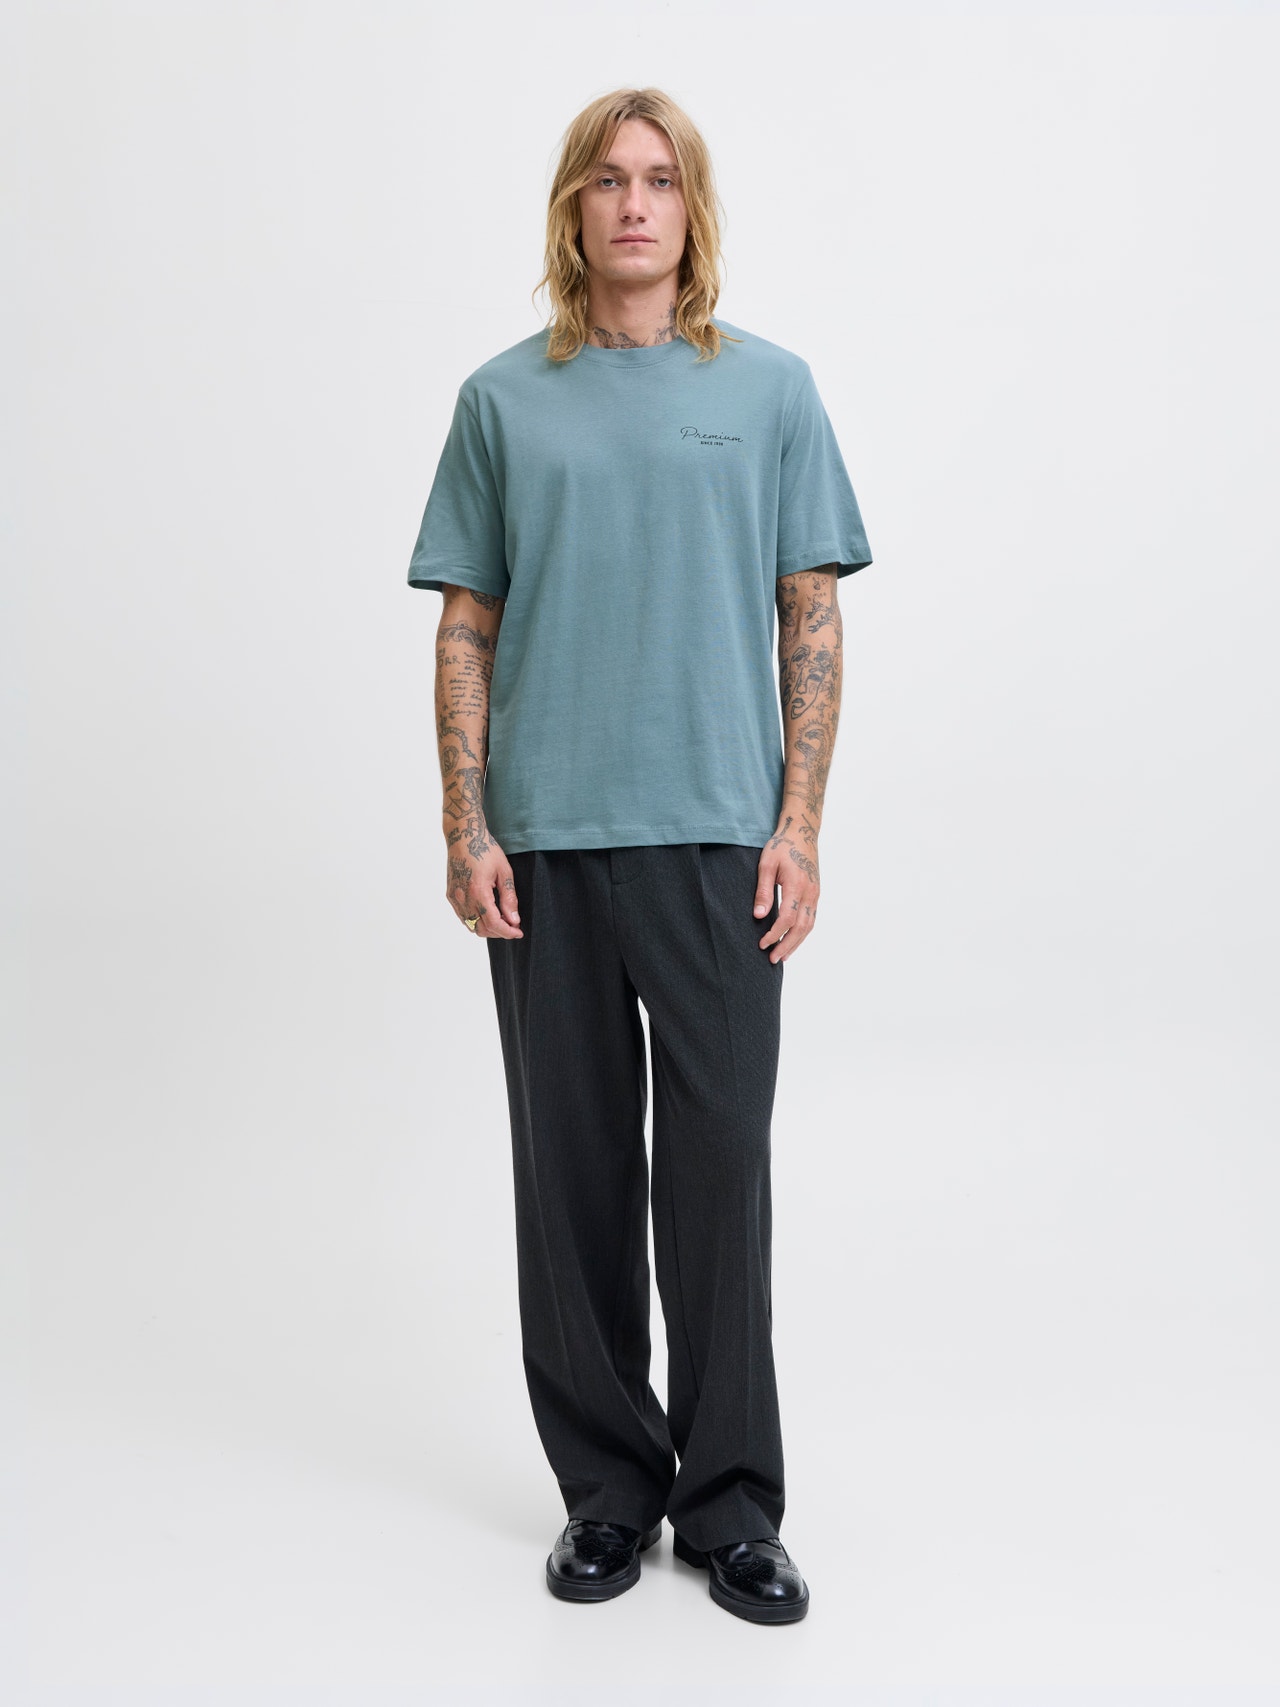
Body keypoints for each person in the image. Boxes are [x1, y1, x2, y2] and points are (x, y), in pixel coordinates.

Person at [406, 86, 873, 1625]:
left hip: (719, 846)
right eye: (606, 180)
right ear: (572, 208)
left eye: (659, 180)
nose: (632, 204)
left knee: (720, 1177)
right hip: (544, 847)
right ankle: (608, 1492)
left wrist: (799, 828)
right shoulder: (501, 401)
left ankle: (731, 1506)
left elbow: (813, 617)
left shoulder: (772, 391)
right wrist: (466, 823)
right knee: (576, 1180)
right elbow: (465, 627)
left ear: (692, 210)